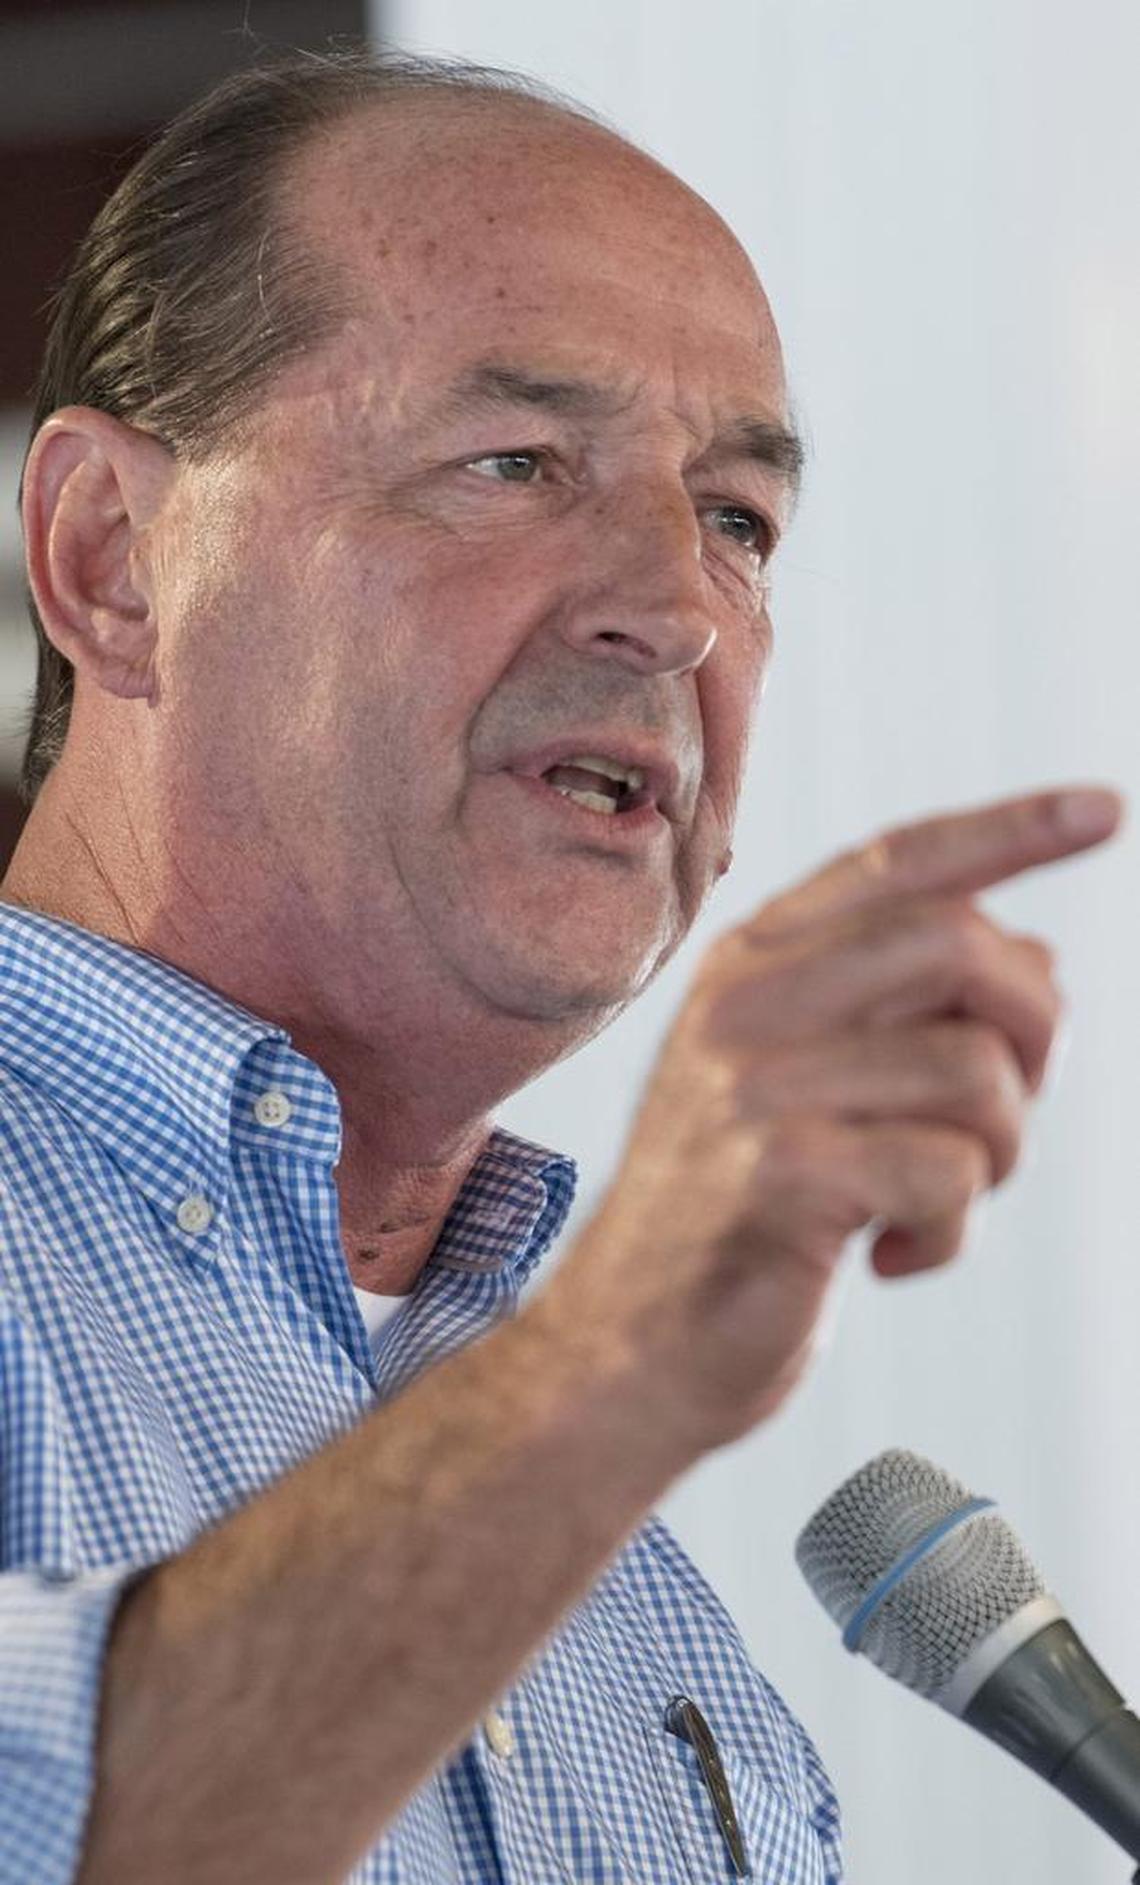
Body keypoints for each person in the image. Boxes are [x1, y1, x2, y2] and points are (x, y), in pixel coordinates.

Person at [0, 45, 1122, 1885]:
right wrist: (621, 1362)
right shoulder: (591, 1412)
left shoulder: (656, 1652)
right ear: (113, 560)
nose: (678, 606)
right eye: (513, 461)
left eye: (739, 518)